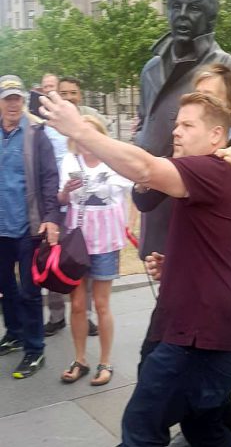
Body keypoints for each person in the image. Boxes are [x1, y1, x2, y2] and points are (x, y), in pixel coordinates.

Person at [40, 90, 231, 446]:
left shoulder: (210, 168)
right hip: (226, 338)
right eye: (176, 125)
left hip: (205, 340)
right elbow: (227, 247)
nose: (176, 132)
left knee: (142, 428)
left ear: (216, 136)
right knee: (206, 430)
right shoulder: (216, 177)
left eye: (187, 125)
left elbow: (143, 167)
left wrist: (81, 131)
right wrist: (177, 265)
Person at [134, 63, 231, 445]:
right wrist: (145, 173)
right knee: (189, 391)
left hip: (226, 284)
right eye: (198, 91)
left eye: (212, 95)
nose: (202, 101)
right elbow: (147, 199)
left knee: (192, 389)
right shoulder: (187, 140)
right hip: (185, 275)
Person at [134, 0, 231, 260]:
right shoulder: (151, 68)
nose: (183, 15)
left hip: (199, 203)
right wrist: (139, 145)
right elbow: (143, 120)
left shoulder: (225, 67)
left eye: (194, 8)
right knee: (165, 293)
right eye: (177, 6)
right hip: (155, 198)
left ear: (210, 17)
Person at [58, 115, 131, 386]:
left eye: (91, 134)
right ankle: (80, 360)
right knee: (77, 304)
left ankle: (105, 362)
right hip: (77, 242)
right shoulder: (69, 160)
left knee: (101, 304)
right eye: (80, 134)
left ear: (99, 135)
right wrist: (66, 189)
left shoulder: (114, 160)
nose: (85, 140)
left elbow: (130, 194)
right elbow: (61, 200)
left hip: (107, 240)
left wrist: (128, 226)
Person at [0, 75, 60, 379]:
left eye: (17, 98)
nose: (13, 104)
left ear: (23, 101)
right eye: (7, 98)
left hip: (28, 227)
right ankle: (14, 333)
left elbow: (51, 178)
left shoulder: (36, 133)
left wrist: (51, 217)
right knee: (5, 289)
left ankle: (35, 350)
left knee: (29, 291)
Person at [41, 73, 98, 338]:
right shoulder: (45, 128)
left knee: (80, 263)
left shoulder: (89, 126)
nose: (68, 97)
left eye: (72, 93)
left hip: (84, 209)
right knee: (54, 261)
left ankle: (84, 316)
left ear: (80, 96)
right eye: (62, 93)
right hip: (56, 205)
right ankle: (56, 316)